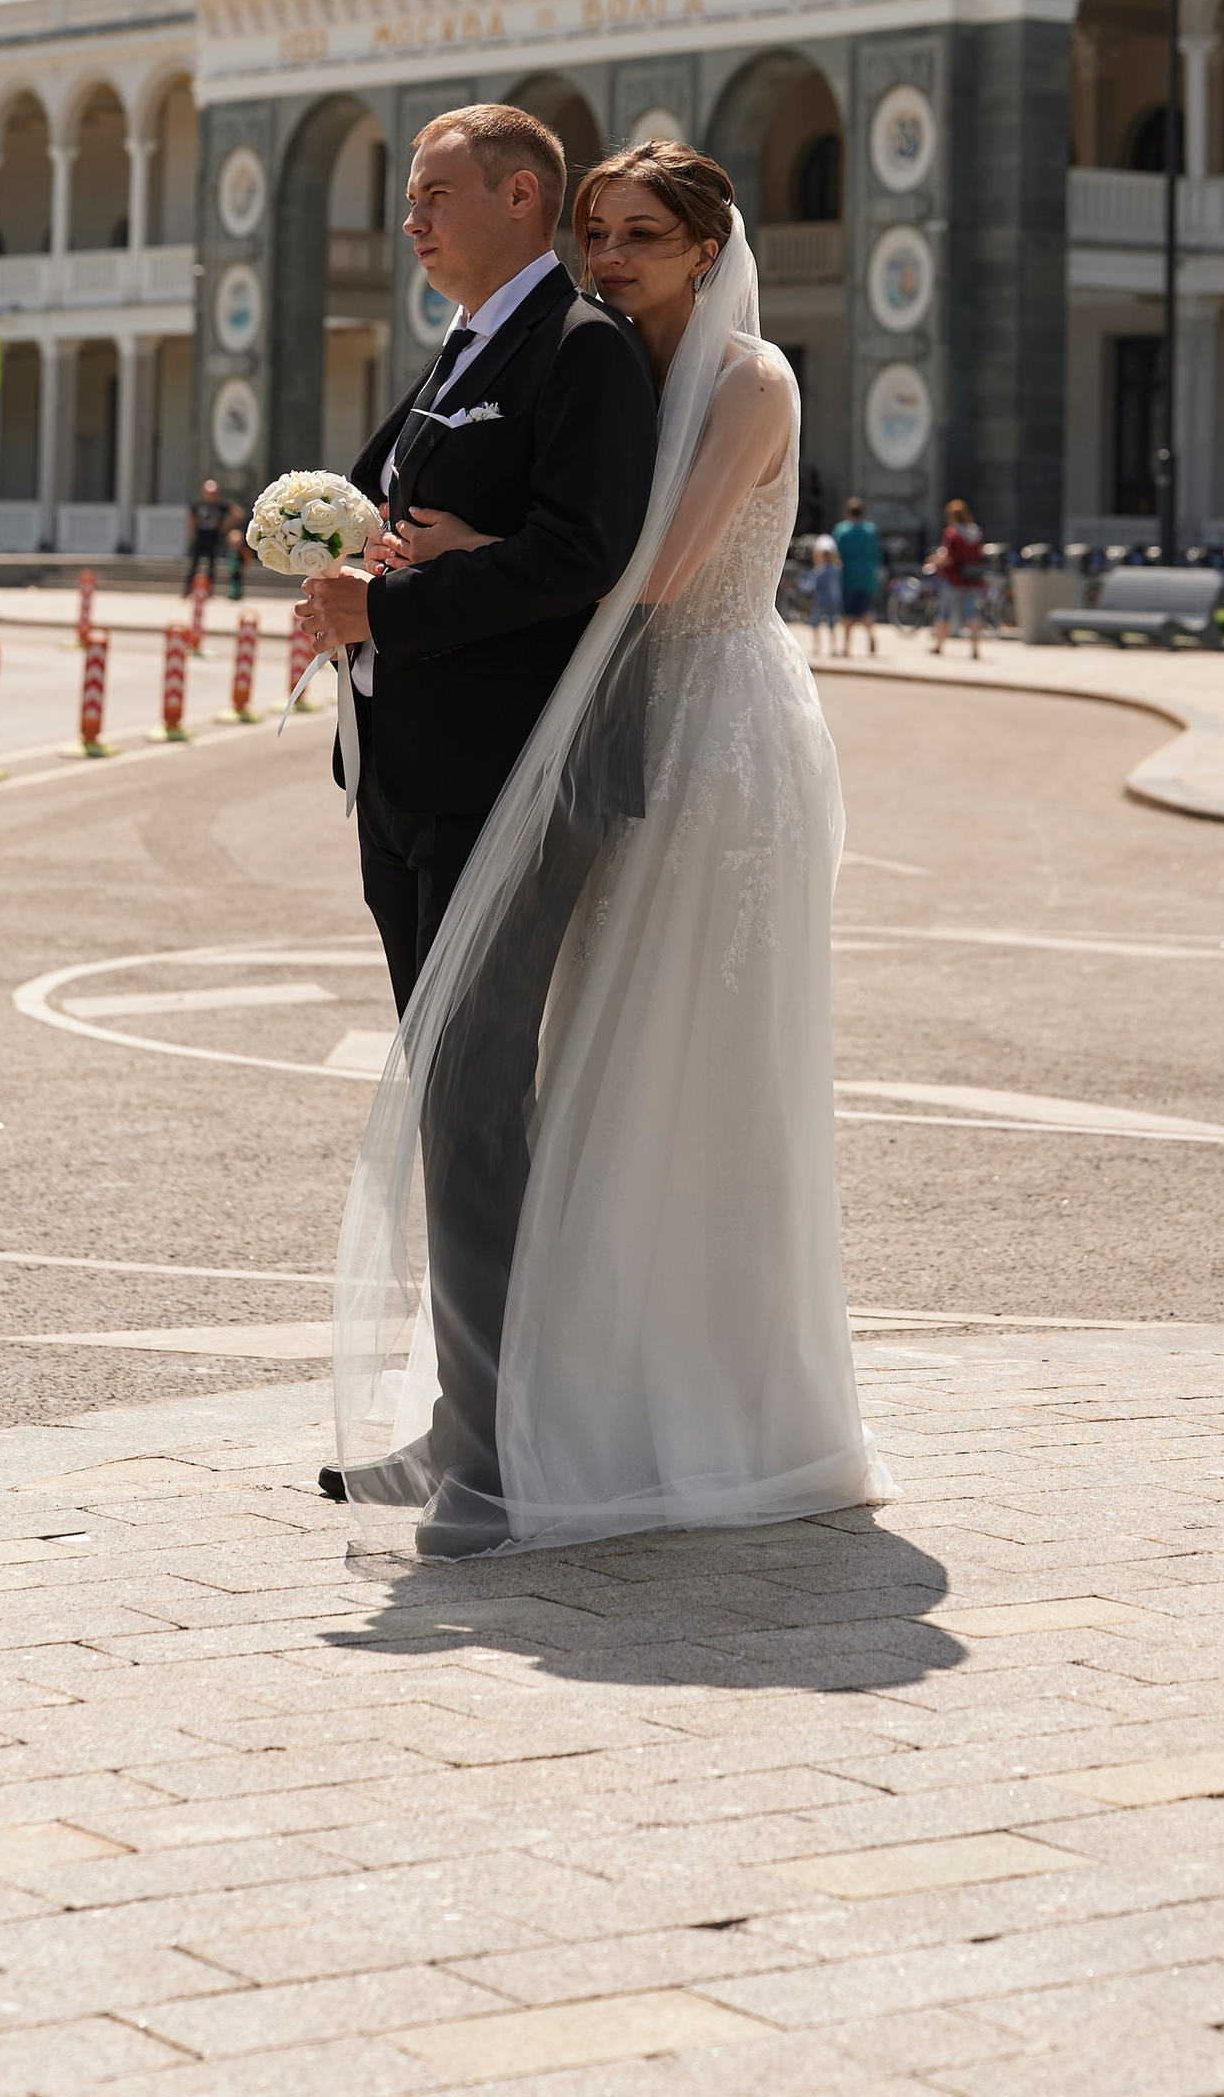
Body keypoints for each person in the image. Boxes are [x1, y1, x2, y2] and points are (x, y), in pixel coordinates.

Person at [317, 134, 886, 1562]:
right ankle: (520, 1420)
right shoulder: (606, 365)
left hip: (717, 743)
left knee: (686, 1083)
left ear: (709, 247)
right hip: (607, 729)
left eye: (641, 235)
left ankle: (665, 1423)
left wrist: (438, 570)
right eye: (601, 233)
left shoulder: (745, 378)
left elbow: (652, 569)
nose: (612, 257)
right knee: (579, 1092)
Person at [297, 103, 659, 1555]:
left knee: (475, 1111)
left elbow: (585, 556)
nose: (411, 218)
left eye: (437, 193)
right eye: (408, 195)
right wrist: (335, 565)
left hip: (515, 782)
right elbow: (387, 511)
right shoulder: (460, 352)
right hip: (407, 777)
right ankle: (466, 1420)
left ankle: (499, 1467)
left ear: (523, 195)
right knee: (451, 1111)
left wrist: (385, 603)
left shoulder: (581, 354)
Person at [931, 499, 988, 661]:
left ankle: (939, 646)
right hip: (971, 578)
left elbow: (949, 558)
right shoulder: (975, 532)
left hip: (953, 577)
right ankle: (975, 647)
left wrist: (934, 561)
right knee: (972, 613)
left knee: (944, 613)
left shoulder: (952, 533)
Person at [833, 497, 883, 656]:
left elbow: (835, 552)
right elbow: (877, 552)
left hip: (848, 574)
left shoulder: (842, 530)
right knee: (865, 609)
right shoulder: (870, 530)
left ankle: (846, 647)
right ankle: (870, 635)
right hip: (867, 575)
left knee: (847, 611)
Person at [186, 476, 231, 584]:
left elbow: (238, 513)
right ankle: (188, 588)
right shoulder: (197, 505)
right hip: (200, 537)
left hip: (214, 538)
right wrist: (191, 535)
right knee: (194, 564)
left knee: (212, 565)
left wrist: (226, 524)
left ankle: (209, 589)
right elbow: (192, 520)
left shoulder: (221, 505)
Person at [806, 531, 843, 651]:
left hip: (821, 600)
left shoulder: (819, 571)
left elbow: (811, 586)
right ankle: (833, 647)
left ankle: (817, 647)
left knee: (815, 623)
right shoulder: (837, 570)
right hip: (834, 601)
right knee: (832, 624)